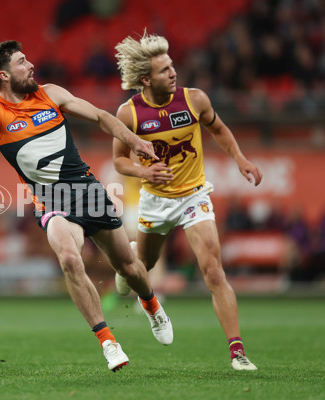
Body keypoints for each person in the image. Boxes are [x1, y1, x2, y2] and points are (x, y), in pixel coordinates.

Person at [0, 22, 173, 372]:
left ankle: (151, 305)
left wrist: (135, 141)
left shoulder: (51, 94)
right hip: (52, 202)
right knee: (70, 259)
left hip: (88, 191)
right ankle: (108, 342)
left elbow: (102, 117)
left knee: (129, 267)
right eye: (21, 61)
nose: (30, 65)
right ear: (3, 74)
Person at [112, 32, 263, 371]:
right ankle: (131, 265)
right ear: (145, 79)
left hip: (194, 195)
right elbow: (119, 161)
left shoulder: (195, 100)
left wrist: (240, 158)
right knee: (142, 268)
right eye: (164, 69)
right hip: (155, 201)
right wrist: (144, 173)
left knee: (213, 271)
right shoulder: (128, 114)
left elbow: (219, 130)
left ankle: (237, 352)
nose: (173, 72)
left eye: (172, 66)